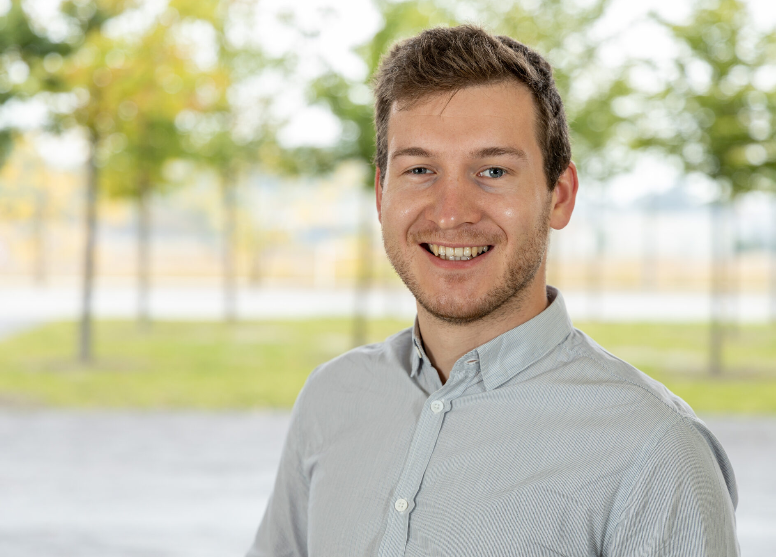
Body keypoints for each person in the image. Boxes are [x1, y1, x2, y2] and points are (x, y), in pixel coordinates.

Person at [247, 25, 739, 556]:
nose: (451, 213)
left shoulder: (656, 451)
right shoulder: (331, 397)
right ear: (381, 194)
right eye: (420, 169)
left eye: (493, 170)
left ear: (560, 196)